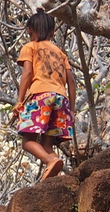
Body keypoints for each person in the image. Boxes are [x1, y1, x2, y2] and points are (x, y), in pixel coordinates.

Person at [9, 10, 76, 180]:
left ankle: (48, 161)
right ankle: (53, 163)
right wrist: (72, 110)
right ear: (53, 32)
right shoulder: (61, 53)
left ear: (30, 30)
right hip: (61, 99)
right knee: (47, 144)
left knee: (28, 141)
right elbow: (71, 82)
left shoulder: (30, 47)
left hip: (40, 96)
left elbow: (28, 72)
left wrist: (19, 101)